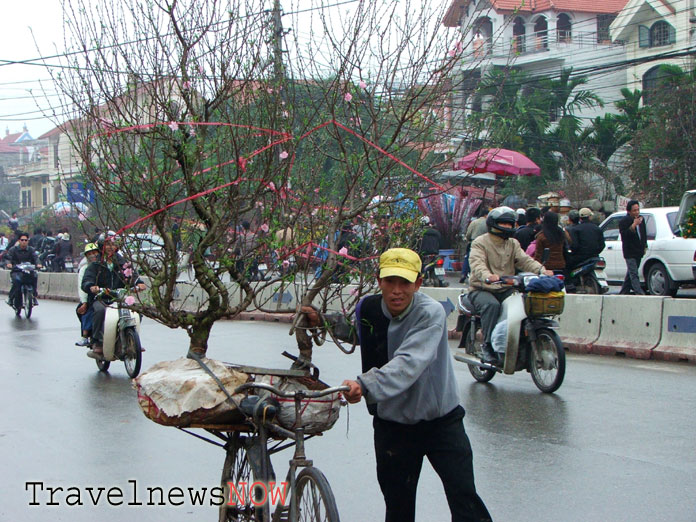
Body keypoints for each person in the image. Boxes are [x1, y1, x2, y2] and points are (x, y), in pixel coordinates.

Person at [303, 248, 491, 522]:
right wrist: (324, 322)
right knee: (398, 506)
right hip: (393, 426)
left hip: (440, 422)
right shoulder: (368, 307)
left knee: (465, 501)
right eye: (390, 281)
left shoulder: (430, 313)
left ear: (417, 283)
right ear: (379, 280)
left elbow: (408, 364)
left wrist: (363, 385)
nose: (396, 291)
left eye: (405, 283)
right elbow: (361, 332)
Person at [468, 207, 553, 365]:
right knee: (491, 305)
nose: (507, 227)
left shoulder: (513, 243)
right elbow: (477, 264)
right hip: (482, 288)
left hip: (506, 288)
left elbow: (525, 260)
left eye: (509, 224)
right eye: (503, 223)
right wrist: (487, 276)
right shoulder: (480, 243)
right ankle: (487, 346)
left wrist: (542, 270)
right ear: (493, 224)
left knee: (524, 304)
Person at [82, 232, 145, 357]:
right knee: (100, 311)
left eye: (113, 244)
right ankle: (97, 341)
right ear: (101, 246)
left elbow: (133, 277)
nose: (111, 247)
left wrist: (139, 284)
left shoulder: (122, 263)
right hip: (101, 298)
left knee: (137, 311)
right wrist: (91, 287)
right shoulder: (95, 264)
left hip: (120, 298)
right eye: (107, 244)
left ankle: (132, 339)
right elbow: (86, 280)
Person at [5, 231, 42, 309]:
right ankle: (11, 298)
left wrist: (38, 264)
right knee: (17, 282)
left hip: (28, 271)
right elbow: (8, 258)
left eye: (26, 240)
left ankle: (34, 296)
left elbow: (36, 258)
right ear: (19, 241)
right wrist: (9, 264)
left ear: (28, 241)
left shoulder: (31, 250)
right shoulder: (13, 250)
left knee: (35, 276)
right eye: (22, 240)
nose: (24, 242)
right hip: (17, 271)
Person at [619, 200, 647, 295]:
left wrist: (644, 246)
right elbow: (625, 235)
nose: (636, 212)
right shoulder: (624, 221)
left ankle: (624, 292)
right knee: (634, 273)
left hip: (638, 251)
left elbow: (643, 234)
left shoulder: (641, 220)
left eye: (638, 210)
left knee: (631, 273)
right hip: (629, 251)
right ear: (629, 211)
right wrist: (633, 225)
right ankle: (639, 292)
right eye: (634, 210)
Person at [75, 243, 100, 347]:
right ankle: (85, 335)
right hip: (92, 297)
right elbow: (82, 287)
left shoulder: (104, 265)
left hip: (109, 295)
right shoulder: (84, 269)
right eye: (89, 254)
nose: (93, 255)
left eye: (95, 252)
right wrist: (84, 302)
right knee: (86, 310)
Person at [460, 207, 489, 283]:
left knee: (468, 258)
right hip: (485, 243)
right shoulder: (488, 223)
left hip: (473, 242)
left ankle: (463, 274)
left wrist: (468, 239)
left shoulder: (474, 222)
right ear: (486, 215)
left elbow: (468, 234)